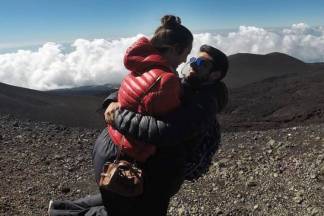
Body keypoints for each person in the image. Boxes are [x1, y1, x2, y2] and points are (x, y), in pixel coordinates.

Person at [107, 14, 193, 163]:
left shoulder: (141, 67)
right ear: (175, 49)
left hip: (113, 140)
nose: (185, 60)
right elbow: (167, 129)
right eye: (186, 53)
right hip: (135, 156)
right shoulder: (166, 80)